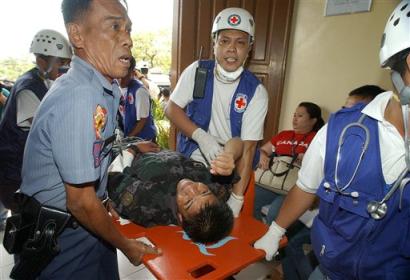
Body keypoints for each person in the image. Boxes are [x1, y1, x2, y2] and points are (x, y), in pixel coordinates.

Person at [254, 1, 410, 279]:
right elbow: (306, 187)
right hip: (331, 269)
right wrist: (275, 231)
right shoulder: (341, 130)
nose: (295, 119)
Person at [6, 1, 159, 279]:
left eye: (128, 28)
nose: (127, 39)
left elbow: (97, 151)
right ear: (77, 35)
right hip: (61, 238)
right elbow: (79, 201)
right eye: (114, 27)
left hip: (89, 226)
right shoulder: (80, 95)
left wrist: (102, 198)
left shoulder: (104, 87)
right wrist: (125, 245)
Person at [165, 7, 269, 218]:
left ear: (249, 48)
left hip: (232, 164)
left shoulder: (256, 92)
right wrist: (202, 137)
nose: (231, 49)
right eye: (224, 41)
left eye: (240, 42)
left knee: (213, 220)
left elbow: (248, 149)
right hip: (191, 155)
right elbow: (171, 108)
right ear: (214, 44)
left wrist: (237, 200)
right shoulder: (198, 71)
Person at [108, 138, 243, 243]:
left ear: (180, 218)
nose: (190, 188)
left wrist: (133, 148)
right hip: (150, 144)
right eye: (203, 192)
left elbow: (112, 177)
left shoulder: (148, 204)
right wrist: (228, 154)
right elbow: (238, 142)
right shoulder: (216, 190)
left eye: (188, 201)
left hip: (116, 150)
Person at [0, 29, 72, 212]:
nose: (66, 69)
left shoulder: (45, 81)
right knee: (26, 224)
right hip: (13, 172)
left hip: (22, 169)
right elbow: (49, 130)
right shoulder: (28, 88)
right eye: (61, 63)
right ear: (42, 61)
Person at [254, 102, 324, 280]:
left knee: (275, 216)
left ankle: (278, 253)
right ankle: (256, 241)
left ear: (313, 120)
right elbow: (265, 148)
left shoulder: (317, 139)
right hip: (272, 182)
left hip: (293, 189)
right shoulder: (284, 135)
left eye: (300, 115)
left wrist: (307, 160)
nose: (294, 118)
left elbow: (323, 168)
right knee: (251, 202)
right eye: (294, 114)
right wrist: (263, 155)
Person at [119, 56, 157, 141]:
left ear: (132, 73)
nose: (120, 79)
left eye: (124, 74)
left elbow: (142, 120)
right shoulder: (115, 88)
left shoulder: (139, 91)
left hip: (144, 139)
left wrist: (127, 139)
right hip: (129, 137)